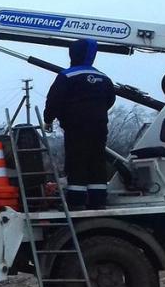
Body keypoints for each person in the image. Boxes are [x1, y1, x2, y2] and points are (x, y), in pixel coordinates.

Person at [43, 37, 117, 209]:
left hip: (76, 127)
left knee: (77, 161)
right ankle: (98, 201)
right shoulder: (103, 77)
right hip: (99, 127)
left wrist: (49, 119)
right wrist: (97, 112)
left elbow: (54, 100)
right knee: (97, 161)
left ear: (73, 53)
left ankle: (76, 202)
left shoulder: (67, 76)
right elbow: (110, 99)